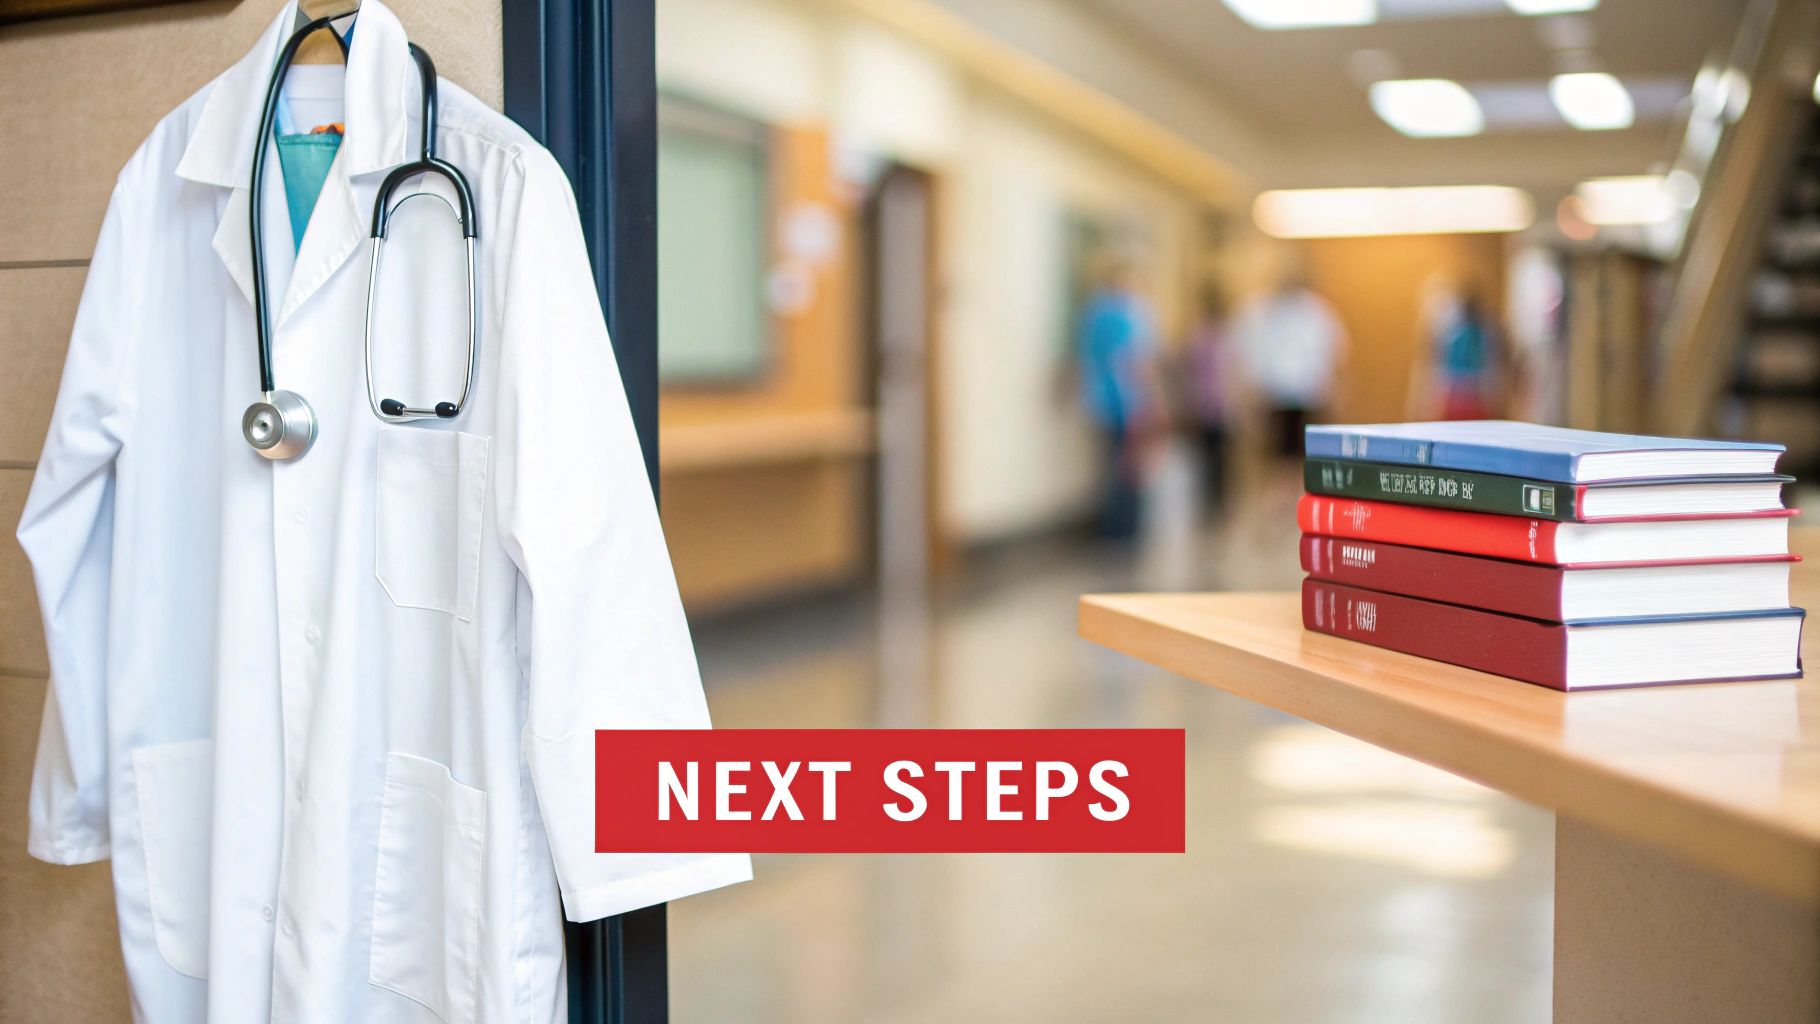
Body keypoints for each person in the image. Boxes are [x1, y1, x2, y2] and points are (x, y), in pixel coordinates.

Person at [1077, 260, 1163, 539]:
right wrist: (1154, 400)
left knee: (1110, 465)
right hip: (1127, 402)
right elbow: (1138, 362)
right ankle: (1125, 527)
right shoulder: (1129, 315)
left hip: (1101, 402)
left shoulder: (1093, 314)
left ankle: (1113, 526)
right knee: (1128, 466)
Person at [1233, 274, 1347, 458]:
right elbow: (1251, 357)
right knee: (1277, 456)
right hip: (1274, 398)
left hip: (1309, 398)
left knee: (1306, 455)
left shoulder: (1316, 312)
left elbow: (1334, 355)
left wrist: (1334, 392)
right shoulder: (1263, 312)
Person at [1183, 284, 1235, 514]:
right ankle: (1214, 501)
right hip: (1215, 406)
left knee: (1209, 457)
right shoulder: (1220, 339)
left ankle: (1210, 500)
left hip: (1204, 404)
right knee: (1215, 457)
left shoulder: (1198, 338)